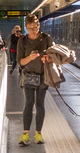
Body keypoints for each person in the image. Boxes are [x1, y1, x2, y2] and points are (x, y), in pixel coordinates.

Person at [13, 14, 54, 145]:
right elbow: (20, 62)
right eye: (30, 28)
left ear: (39, 25)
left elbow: (55, 55)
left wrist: (47, 58)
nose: (33, 30)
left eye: (35, 27)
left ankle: (38, 134)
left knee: (40, 104)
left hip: (42, 76)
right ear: (26, 27)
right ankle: (25, 134)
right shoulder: (22, 41)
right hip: (28, 76)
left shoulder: (46, 39)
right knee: (28, 103)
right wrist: (30, 58)